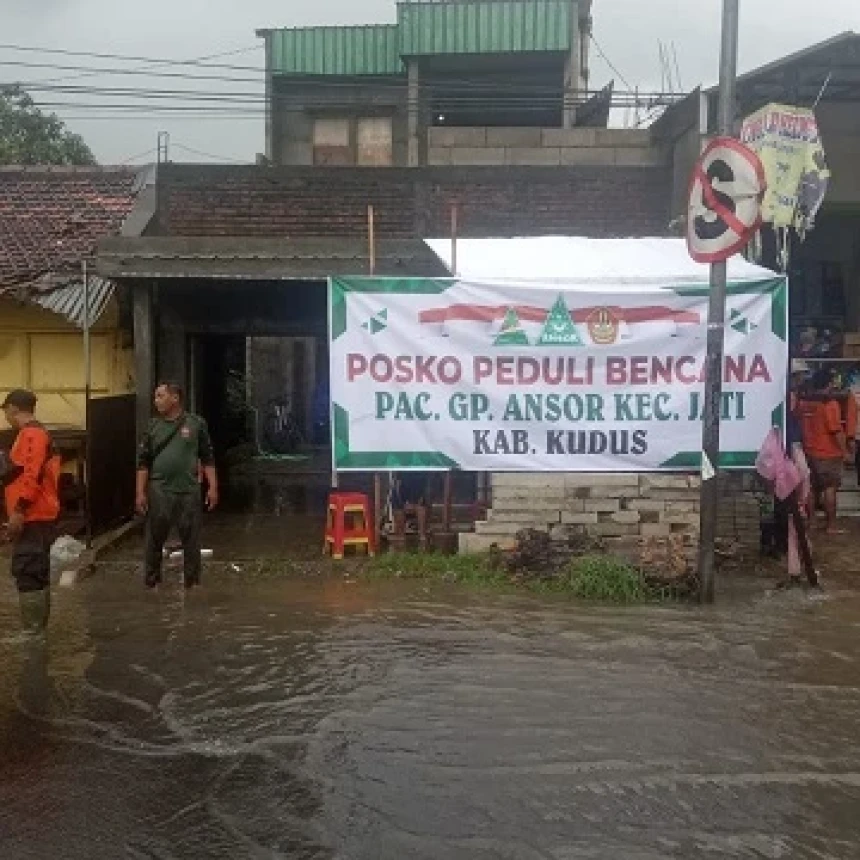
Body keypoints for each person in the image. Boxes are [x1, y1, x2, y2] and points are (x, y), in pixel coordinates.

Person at [136, 382, 218, 590]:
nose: (156, 401)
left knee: (191, 540)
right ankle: (152, 582)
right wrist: (140, 493)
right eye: (155, 396)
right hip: (160, 490)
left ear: (175, 398)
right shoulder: (153, 427)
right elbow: (143, 463)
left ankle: (193, 583)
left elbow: (207, 457)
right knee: (154, 538)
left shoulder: (196, 424)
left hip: (188, 491)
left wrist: (213, 487)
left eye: (160, 396)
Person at [1, 389, 60, 632]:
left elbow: (31, 474)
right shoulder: (33, 434)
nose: (5, 414)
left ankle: (34, 635)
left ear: (13, 409)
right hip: (37, 515)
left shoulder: (32, 434)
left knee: (28, 571)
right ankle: (37, 632)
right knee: (35, 572)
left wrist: (19, 511)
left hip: (34, 516)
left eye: (5, 409)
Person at [798, 369, 850, 534]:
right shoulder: (830, 404)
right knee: (830, 488)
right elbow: (836, 430)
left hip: (809, 450)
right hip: (828, 453)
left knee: (812, 488)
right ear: (828, 384)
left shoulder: (804, 403)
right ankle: (831, 525)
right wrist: (845, 451)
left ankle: (812, 522)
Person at [391, 472, 430, 547]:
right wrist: (403, 504)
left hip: (417, 501)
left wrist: (415, 504)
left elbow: (423, 495)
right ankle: (400, 539)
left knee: (422, 509)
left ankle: (422, 538)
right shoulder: (398, 481)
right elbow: (397, 492)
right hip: (400, 502)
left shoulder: (422, 477)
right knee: (398, 512)